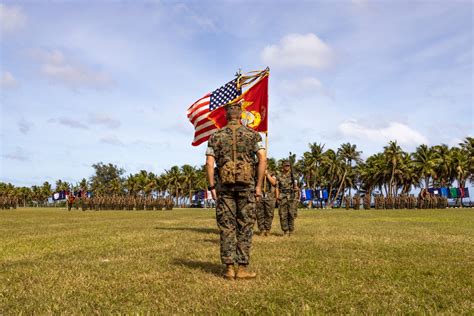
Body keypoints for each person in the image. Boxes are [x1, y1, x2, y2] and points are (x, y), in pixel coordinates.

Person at [205, 100, 266, 280]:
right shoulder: (254, 136)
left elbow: (209, 163)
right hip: (247, 188)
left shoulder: (215, 137)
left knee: (226, 227)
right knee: (245, 226)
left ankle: (229, 268)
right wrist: (258, 186)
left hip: (224, 188)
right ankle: (243, 268)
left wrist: (212, 186)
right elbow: (262, 160)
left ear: (226, 115)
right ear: (241, 115)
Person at [276, 160, 299, 236]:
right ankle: (285, 231)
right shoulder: (279, 175)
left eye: (288, 165)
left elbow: (297, 186)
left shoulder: (294, 175)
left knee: (291, 214)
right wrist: (277, 196)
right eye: (285, 165)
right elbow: (277, 187)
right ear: (282, 166)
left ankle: (291, 230)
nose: (287, 167)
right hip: (282, 196)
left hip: (291, 196)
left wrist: (296, 188)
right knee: (283, 214)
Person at [256, 169, 277, 236]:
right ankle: (261, 230)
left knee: (269, 213)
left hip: (269, 196)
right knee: (260, 213)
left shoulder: (272, 173)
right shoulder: (257, 172)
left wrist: (267, 175)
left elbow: (274, 182)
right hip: (260, 195)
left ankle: (267, 230)